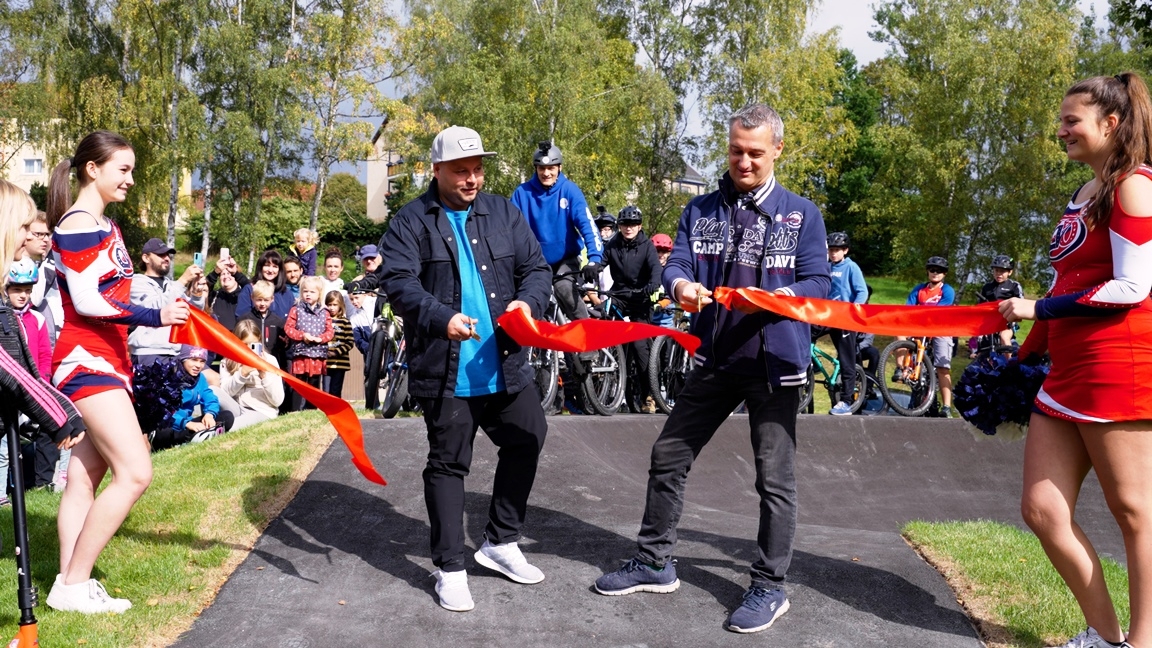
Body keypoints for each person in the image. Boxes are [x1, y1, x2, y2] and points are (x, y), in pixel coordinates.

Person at [594, 104, 830, 635]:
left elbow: (819, 284)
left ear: (777, 151)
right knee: (668, 455)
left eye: (755, 153)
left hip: (774, 365)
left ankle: (769, 586)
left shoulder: (802, 214)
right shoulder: (700, 209)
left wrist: (778, 299)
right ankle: (654, 561)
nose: (743, 162)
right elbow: (677, 263)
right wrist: (679, 285)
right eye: (735, 151)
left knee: (774, 478)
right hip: (714, 359)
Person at [997, 72, 1152, 648]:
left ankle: (1143, 641)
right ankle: (1105, 637)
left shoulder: (1134, 186)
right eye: (1060, 120)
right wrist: (1025, 355)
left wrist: (1036, 308)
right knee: (1042, 509)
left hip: (1118, 368)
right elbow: (1072, 281)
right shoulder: (1087, 190)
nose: (1061, 130)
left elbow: (1132, 287)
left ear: (1110, 124)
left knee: (1133, 511)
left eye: (1071, 121)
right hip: (1066, 370)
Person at [378, 124, 552, 613]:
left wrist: (526, 302)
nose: (472, 179)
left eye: (477, 169)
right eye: (461, 171)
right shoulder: (410, 221)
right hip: (446, 369)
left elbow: (536, 269)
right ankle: (450, 568)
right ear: (436, 170)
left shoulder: (503, 212)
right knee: (449, 463)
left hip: (505, 363)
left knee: (528, 436)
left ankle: (500, 541)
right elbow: (399, 283)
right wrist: (442, 318)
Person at [44, 131, 190, 613]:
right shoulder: (79, 224)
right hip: (86, 360)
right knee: (136, 472)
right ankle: (73, 583)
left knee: (86, 476)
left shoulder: (104, 224)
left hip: (107, 359)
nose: (130, 179)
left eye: (131, 170)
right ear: (93, 169)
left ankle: (70, 583)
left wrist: (164, 307)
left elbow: (113, 296)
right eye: (122, 169)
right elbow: (88, 302)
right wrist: (155, 316)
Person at [510, 139, 602, 322]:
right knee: (528, 298)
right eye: (542, 168)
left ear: (559, 168)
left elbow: (587, 225)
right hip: (535, 261)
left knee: (563, 288)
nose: (546, 173)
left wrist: (594, 259)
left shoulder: (569, 191)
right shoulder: (522, 193)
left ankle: (587, 337)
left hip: (565, 259)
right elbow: (509, 230)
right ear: (536, 169)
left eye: (551, 168)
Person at [600, 205, 662, 413]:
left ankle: (648, 396)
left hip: (640, 298)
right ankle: (603, 389)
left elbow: (656, 268)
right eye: (625, 224)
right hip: (619, 296)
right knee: (604, 326)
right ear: (619, 226)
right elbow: (601, 261)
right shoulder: (613, 244)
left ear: (640, 226)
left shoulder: (647, 246)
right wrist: (592, 267)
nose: (629, 228)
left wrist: (653, 284)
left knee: (638, 346)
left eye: (633, 224)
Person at [6, 257, 58, 489]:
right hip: (9, 386)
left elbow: (45, 354)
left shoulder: (37, 318)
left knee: (49, 428)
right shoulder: (3, 319)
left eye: (27, 291)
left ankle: (43, 482)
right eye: (17, 290)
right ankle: (4, 491)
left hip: (34, 386)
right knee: (6, 441)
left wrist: (43, 380)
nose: (23, 296)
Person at [127, 237, 202, 366]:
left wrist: (197, 294)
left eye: (168, 255)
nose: (167, 258)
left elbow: (192, 315)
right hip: (147, 353)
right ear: (146, 258)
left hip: (175, 354)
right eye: (161, 255)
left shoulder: (172, 286)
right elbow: (155, 308)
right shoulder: (135, 283)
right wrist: (183, 280)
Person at [146, 345, 235, 450]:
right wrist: (186, 423)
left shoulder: (200, 378)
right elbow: (163, 413)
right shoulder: (168, 377)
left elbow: (210, 398)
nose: (198, 365)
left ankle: (199, 435)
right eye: (194, 360)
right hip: (168, 425)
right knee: (164, 431)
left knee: (227, 416)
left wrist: (209, 414)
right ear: (183, 359)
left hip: (188, 424)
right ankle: (201, 435)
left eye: (202, 361)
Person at [899, 256, 956, 417]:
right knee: (899, 333)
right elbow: (908, 308)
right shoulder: (919, 289)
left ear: (944, 274)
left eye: (939, 271)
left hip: (940, 329)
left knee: (943, 368)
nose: (935, 273)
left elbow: (939, 312)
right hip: (920, 327)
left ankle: (946, 406)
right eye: (932, 270)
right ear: (927, 272)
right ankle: (901, 368)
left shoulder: (947, 290)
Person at [824, 231, 868, 416]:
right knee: (804, 334)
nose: (834, 253)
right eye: (831, 250)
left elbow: (862, 291)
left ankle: (846, 401)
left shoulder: (851, 267)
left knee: (846, 359)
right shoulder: (825, 266)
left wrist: (854, 310)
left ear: (845, 250)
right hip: (825, 315)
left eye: (837, 250)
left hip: (844, 319)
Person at [219, 319, 285, 430]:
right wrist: (242, 373)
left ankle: (222, 427)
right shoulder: (227, 361)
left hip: (260, 410)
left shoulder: (270, 360)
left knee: (230, 428)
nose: (249, 349)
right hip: (237, 408)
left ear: (259, 341)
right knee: (213, 390)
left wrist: (263, 374)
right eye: (244, 345)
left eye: (253, 345)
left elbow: (277, 401)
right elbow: (224, 392)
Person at [283, 275, 333, 409]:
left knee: (314, 382)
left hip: (318, 354)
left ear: (319, 293)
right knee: (299, 382)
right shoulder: (296, 309)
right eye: (305, 291)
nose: (308, 294)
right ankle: (296, 409)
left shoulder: (324, 312)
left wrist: (321, 339)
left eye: (312, 292)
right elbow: (288, 328)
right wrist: (302, 336)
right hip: (301, 352)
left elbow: (330, 332)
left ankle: (312, 409)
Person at [976, 254, 1024, 349]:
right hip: (989, 321)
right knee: (983, 342)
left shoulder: (1014, 286)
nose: (999, 274)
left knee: (1004, 337)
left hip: (1007, 321)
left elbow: (1021, 305)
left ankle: (1010, 358)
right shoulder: (987, 287)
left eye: (1002, 271)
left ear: (1010, 272)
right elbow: (980, 307)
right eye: (996, 270)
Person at [236, 250, 295, 319]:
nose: (270, 270)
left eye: (275, 266)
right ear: (261, 267)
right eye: (267, 265)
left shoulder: (287, 294)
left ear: (279, 270)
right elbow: (241, 318)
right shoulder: (249, 289)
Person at [323, 290, 352, 398]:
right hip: (326, 362)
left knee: (335, 390)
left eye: (335, 305)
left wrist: (336, 352)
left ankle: (336, 407)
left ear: (340, 305)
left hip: (340, 363)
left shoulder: (345, 322)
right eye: (329, 304)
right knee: (326, 390)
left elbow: (350, 342)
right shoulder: (323, 320)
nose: (332, 308)